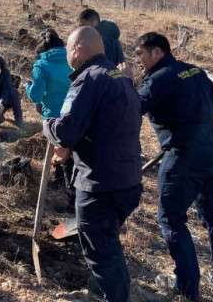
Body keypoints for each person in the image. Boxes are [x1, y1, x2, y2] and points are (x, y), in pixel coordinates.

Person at [134, 32, 213, 301]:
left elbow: (130, 108)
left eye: (140, 55)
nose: (138, 62)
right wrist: (196, 118)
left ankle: (187, 288)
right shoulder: (193, 71)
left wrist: (125, 83)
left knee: (170, 218)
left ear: (157, 52)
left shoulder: (157, 80)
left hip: (183, 157)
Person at [43, 27, 142, 302]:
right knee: (107, 244)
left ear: (76, 48)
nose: (66, 56)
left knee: (101, 251)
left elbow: (65, 131)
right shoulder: (120, 78)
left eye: (66, 50)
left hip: (100, 184)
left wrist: (46, 125)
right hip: (128, 180)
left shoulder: (88, 80)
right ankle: (100, 293)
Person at [24, 29, 74, 212]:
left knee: (61, 152)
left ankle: (70, 199)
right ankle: (60, 178)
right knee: (72, 153)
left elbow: (36, 96)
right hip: (74, 112)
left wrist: (27, 87)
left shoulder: (42, 65)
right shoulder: (71, 59)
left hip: (54, 116)